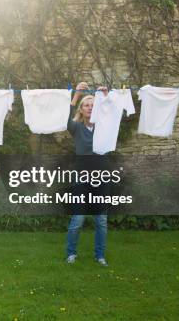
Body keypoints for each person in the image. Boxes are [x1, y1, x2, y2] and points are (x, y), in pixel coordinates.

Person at [65, 81, 110, 267]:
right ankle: (71, 254)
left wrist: (106, 98)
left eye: (93, 105)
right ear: (81, 110)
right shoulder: (76, 128)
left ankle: (99, 256)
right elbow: (65, 119)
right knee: (78, 220)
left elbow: (114, 115)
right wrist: (76, 95)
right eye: (86, 105)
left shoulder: (105, 126)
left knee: (101, 221)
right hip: (81, 179)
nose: (90, 108)